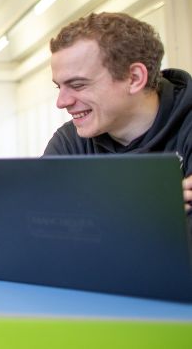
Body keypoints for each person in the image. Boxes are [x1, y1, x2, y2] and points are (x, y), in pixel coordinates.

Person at [44, 12, 192, 235]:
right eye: (59, 87)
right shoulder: (70, 142)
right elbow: (43, 228)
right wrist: (148, 209)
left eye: (78, 85)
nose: (62, 102)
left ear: (134, 78)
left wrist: (87, 215)